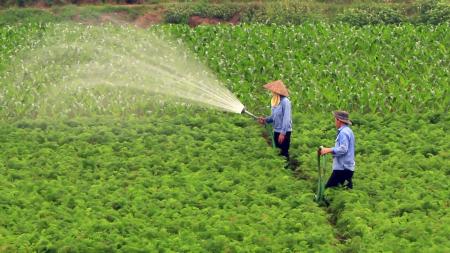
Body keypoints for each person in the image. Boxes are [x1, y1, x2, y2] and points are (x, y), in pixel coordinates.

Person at [258, 80, 292, 163]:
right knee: (277, 152)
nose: (272, 92)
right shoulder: (274, 101)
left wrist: (283, 133)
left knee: (283, 153)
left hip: (284, 132)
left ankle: (286, 171)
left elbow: (286, 118)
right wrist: (265, 120)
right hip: (276, 131)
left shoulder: (285, 102)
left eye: (273, 91)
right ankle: (280, 169)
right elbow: (273, 117)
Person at [320, 111, 355, 189]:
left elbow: (343, 149)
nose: (334, 122)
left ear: (339, 120)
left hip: (342, 168)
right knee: (345, 192)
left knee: (329, 191)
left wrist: (328, 150)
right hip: (348, 168)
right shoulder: (349, 131)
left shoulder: (343, 133)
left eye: (335, 119)